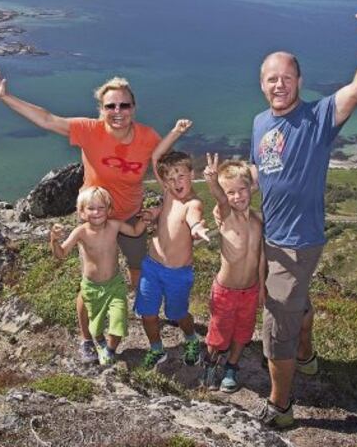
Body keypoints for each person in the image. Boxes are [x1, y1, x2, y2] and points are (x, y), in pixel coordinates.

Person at [253, 0, 357, 429]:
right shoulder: (260, 123)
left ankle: (281, 408)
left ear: (299, 81)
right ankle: (307, 357)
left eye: (286, 77)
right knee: (291, 303)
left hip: (297, 242)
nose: (279, 84)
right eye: (271, 79)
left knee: (275, 327)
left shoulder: (317, 118)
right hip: (271, 236)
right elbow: (262, 170)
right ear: (262, 84)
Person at [0, 66, 160, 364]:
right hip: (94, 218)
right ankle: (86, 339)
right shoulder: (89, 130)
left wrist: (161, 208)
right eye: (110, 106)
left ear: (133, 107)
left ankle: (137, 310)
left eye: (124, 105)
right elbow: (47, 119)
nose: (117, 111)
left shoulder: (148, 137)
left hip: (130, 215)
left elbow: (168, 170)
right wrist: (5, 97)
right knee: (89, 282)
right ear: (101, 109)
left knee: (137, 269)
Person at [135, 120, 211, 368]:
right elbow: (156, 156)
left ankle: (191, 338)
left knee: (177, 314)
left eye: (181, 176)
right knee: (147, 313)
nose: (176, 182)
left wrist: (198, 229)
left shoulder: (193, 204)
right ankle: (157, 349)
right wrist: (176, 132)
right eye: (170, 178)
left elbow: (194, 220)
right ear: (165, 183)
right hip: (152, 266)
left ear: (192, 175)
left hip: (178, 273)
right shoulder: (168, 193)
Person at [49, 187, 149, 365]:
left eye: (101, 208)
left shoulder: (115, 225)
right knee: (95, 326)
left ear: (109, 209)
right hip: (92, 287)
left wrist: (145, 219)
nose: (96, 212)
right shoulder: (80, 232)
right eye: (91, 208)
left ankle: (109, 350)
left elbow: (135, 231)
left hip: (115, 285)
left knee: (118, 322)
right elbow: (61, 254)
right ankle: (98, 340)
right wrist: (54, 240)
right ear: (82, 212)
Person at [200, 154, 265, 393]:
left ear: (251, 188)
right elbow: (219, 197)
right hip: (225, 291)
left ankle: (231, 367)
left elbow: (261, 256)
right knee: (218, 333)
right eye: (231, 192)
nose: (237, 196)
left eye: (242, 190)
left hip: (251, 290)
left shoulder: (258, 220)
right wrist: (211, 180)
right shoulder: (226, 216)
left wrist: (262, 287)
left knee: (243, 332)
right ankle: (209, 363)